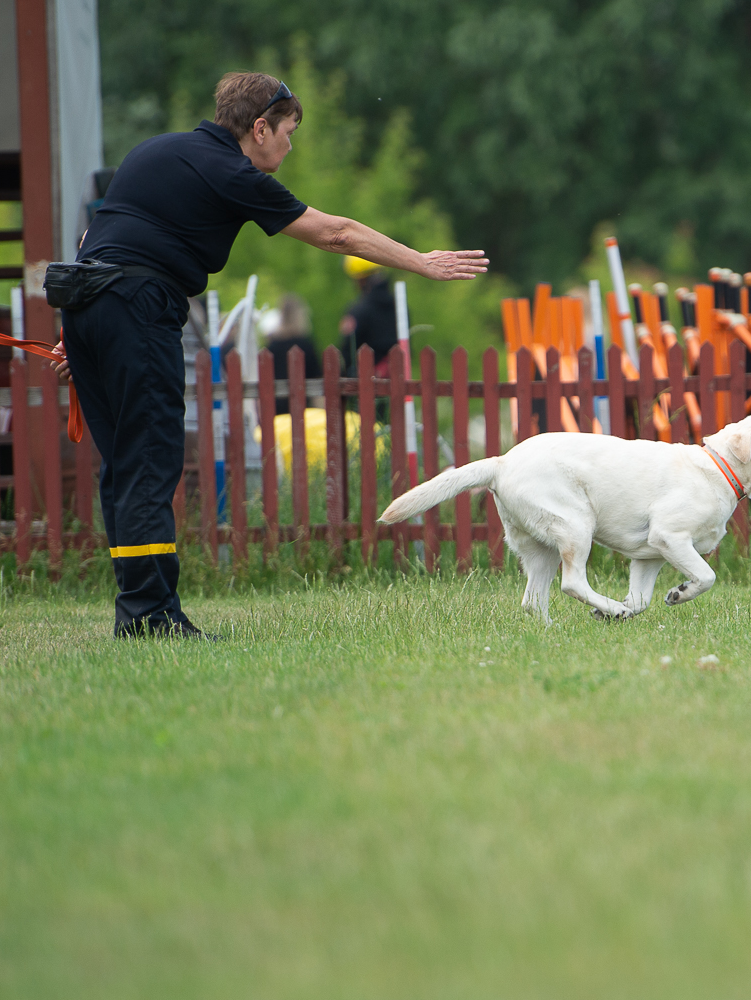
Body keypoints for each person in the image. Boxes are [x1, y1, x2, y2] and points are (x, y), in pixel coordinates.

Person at [53, 71, 487, 636]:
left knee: (124, 466)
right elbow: (337, 234)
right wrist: (424, 263)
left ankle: (142, 611)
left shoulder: (156, 151)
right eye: (287, 131)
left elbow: (95, 236)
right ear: (259, 128)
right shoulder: (231, 171)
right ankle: (149, 616)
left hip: (86, 298)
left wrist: (87, 329)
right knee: (150, 461)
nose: (289, 144)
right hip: (137, 305)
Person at [337, 256, 401, 375]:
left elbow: (347, 353)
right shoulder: (400, 307)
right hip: (396, 379)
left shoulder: (358, 311)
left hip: (365, 383)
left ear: (360, 280)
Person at [264, 292, 321, 414]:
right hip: (302, 408)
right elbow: (316, 378)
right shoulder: (305, 344)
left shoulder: (272, 345)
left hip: (275, 408)